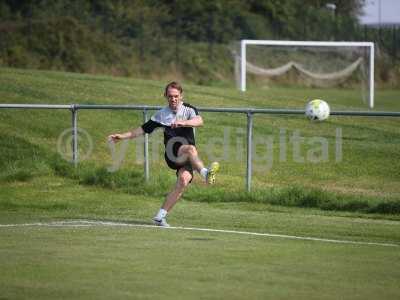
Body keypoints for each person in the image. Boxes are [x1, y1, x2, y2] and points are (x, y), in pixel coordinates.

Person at [108, 81, 219, 227]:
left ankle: (160, 217)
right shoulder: (161, 114)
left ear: (181, 96)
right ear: (165, 96)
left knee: (183, 181)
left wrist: (182, 123)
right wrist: (122, 136)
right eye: (170, 96)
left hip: (187, 158)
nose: (173, 99)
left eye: (176, 96)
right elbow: (142, 130)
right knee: (191, 149)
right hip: (172, 153)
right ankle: (205, 174)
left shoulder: (189, 109)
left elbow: (199, 121)